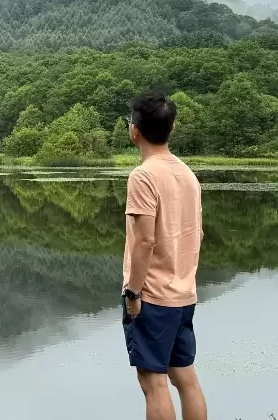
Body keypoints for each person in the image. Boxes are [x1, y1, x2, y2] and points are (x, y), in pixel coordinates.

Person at [122, 93, 207, 420]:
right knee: (185, 376)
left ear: (135, 131)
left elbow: (144, 242)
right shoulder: (188, 175)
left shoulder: (143, 176)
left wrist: (134, 292)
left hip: (152, 296)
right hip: (183, 294)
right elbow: (196, 234)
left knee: (152, 381)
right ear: (171, 129)